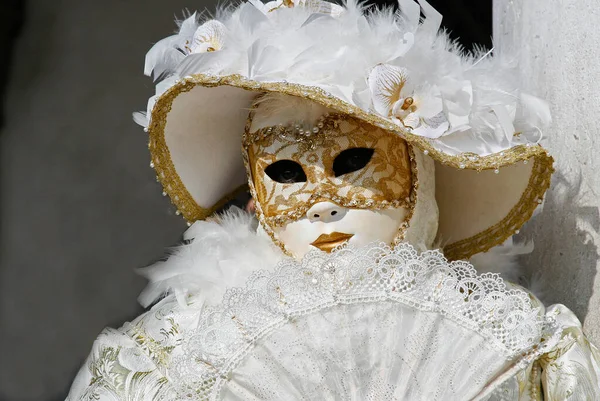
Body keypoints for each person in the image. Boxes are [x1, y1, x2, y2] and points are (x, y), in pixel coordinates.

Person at [67, 0, 600, 399]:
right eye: (285, 172)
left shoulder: (521, 339)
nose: (324, 206)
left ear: (420, 170)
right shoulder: (161, 355)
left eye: (352, 163)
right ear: (255, 198)